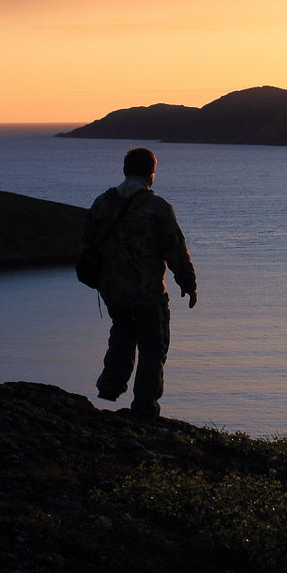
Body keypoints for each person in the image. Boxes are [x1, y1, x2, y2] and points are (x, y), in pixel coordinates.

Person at [83, 147, 197, 418]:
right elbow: (175, 250)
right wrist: (188, 283)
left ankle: (111, 385)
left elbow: (88, 240)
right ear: (151, 173)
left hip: (112, 290)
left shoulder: (102, 202)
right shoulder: (157, 208)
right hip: (147, 292)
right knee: (153, 346)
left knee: (122, 330)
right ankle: (145, 405)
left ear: (125, 170)